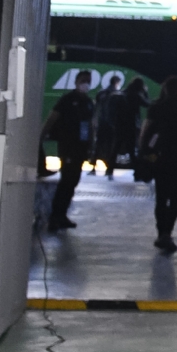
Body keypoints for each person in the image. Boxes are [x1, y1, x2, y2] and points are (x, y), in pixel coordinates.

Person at [139, 75, 177, 252]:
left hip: (161, 157)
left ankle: (161, 232)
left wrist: (143, 152)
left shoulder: (157, 107)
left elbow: (145, 131)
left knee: (161, 196)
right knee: (176, 197)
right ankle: (168, 231)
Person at [41, 69, 96, 232]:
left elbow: (91, 125)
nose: (86, 84)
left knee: (73, 181)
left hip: (82, 147)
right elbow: (52, 118)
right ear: (76, 82)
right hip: (68, 146)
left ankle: (62, 214)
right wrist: (42, 135)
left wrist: (92, 146)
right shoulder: (67, 100)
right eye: (83, 80)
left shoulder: (88, 102)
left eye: (88, 81)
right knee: (66, 180)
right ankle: (55, 217)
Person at [92, 72, 125, 176]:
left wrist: (95, 121)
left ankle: (93, 167)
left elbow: (96, 108)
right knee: (110, 146)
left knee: (98, 145)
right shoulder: (118, 94)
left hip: (102, 123)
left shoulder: (101, 93)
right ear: (116, 82)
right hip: (112, 124)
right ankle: (108, 168)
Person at [117, 76, 151, 165]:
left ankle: (110, 170)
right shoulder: (137, 95)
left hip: (121, 123)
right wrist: (145, 92)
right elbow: (147, 104)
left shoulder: (124, 92)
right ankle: (136, 170)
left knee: (117, 145)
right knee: (131, 147)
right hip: (132, 123)